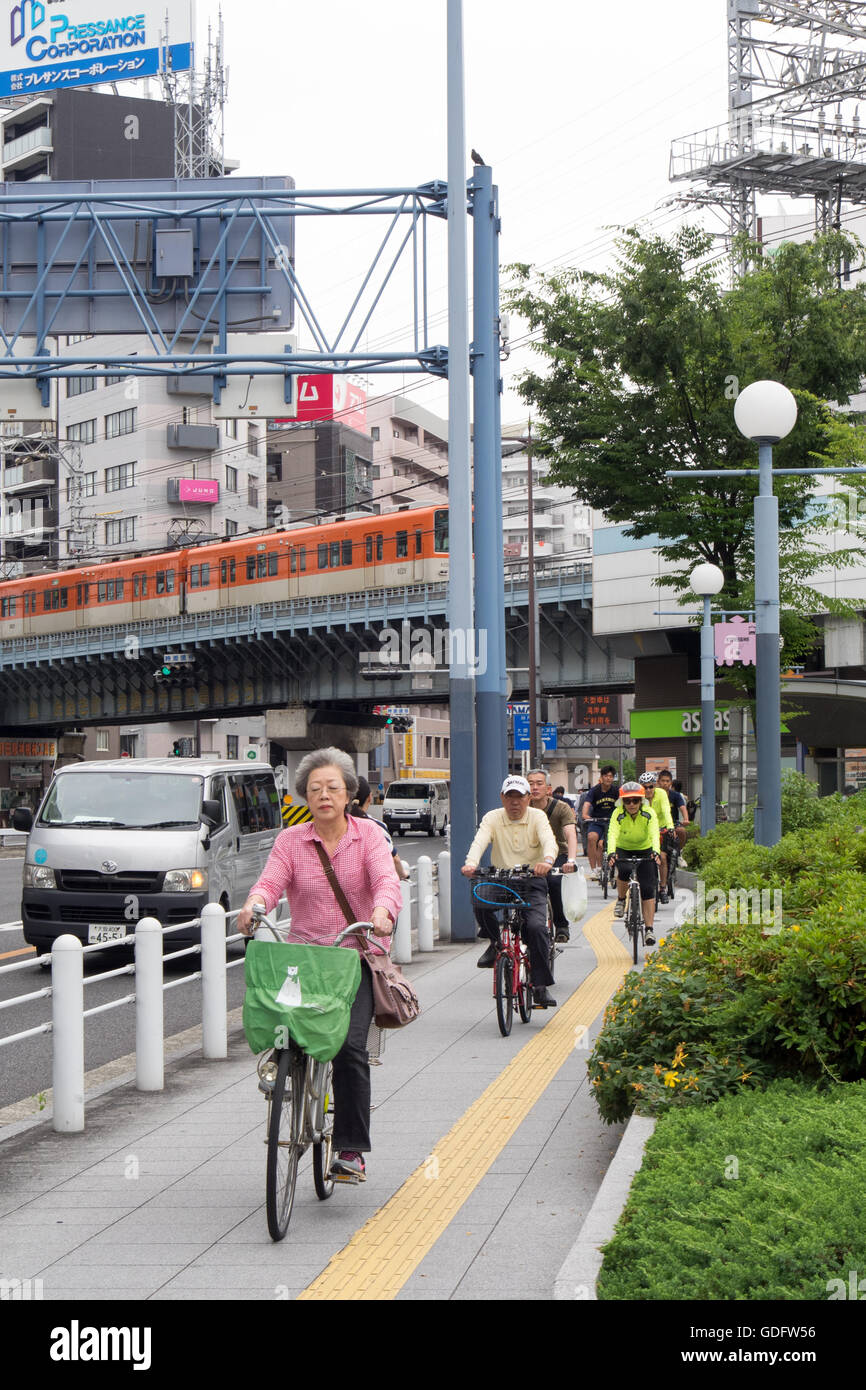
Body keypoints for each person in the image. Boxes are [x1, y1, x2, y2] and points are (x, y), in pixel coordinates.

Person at [237, 747, 402, 1184]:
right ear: (304, 797)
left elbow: (386, 880)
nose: (324, 795)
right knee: (281, 1016)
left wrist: (384, 911)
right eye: (314, 789)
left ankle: (350, 1149)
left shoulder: (366, 836)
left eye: (333, 787)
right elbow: (271, 881)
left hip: (354, 956)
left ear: (349, 793)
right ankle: (282, 1065)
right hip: (306, 955)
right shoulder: (292, 839)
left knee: (349, 1047)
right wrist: (255, 904)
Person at [461, 774, 559, 1008]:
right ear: (502, 798)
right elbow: (479, 841)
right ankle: (496, 944)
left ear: (528, 799)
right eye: (510, 797)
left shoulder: (538, 817)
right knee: (479, 899)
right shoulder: (492, 818)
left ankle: (539, 986)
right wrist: (471, 863)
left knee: (536, 927)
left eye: (520, 797)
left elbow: (549, 841)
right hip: (501, 879)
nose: (515, 802)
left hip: (531, 881)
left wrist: (546, 861)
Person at [607, 782, 661, 946]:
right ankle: (622, 899)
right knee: (623, 870)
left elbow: (654, 833)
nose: (631, 804)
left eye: (635, 800)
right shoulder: (617, 813)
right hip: (623, 848)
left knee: (647, 889)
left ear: (641, 801)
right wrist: (611, 852)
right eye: (627, 801)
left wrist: (656, 851)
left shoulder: (649, 813)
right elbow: (612, 834)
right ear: (622, 802)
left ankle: (649, 929)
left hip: (645, 849)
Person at [527, 767, 578, 944]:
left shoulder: (561, 808)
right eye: (530, 784)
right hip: (531, 854)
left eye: (539, 784)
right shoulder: (522, 807)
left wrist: (571, 860)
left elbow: (571, 834)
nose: (534, 787)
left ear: (548, 788)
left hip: (558, 854)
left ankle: (561, 925)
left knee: (554, 882)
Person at [350, 775, 408, 880]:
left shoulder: (335, 824)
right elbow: (394, 859)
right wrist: (403, 875)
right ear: (370, 797)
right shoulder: (375, 826)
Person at [638, 771, 675, 902]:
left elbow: (666, 811)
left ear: (655, 785)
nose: (648, 790)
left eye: (650, 786)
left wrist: (670, 827)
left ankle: (663, 888)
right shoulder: (638, 797)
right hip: (645, 830)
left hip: (661, 828)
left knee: (663, 857)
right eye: (644, 787)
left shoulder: (662, 794)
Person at [582, 765, 620, 882]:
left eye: (610, 776)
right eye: (606, 776)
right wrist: (585, 814)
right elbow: (587, 803)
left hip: (612, 822)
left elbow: (624, 804)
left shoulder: (616, 791)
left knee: (604, 844)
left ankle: (615, 868)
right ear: (601, 777)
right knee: (591, 837)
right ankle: (595, 870)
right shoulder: (595, 790)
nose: (608, 778)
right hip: (597, 821)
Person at [657, 768, 689, 864]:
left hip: (672, 824)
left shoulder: (675, 795)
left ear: (671, 783)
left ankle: (679, 853)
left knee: (681, 831)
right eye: (663, 781)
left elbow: (682, 808)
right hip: (656, 824)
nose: (665, 783)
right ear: (658, 782)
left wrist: (686, 819)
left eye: (667, 781)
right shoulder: (654, 795)